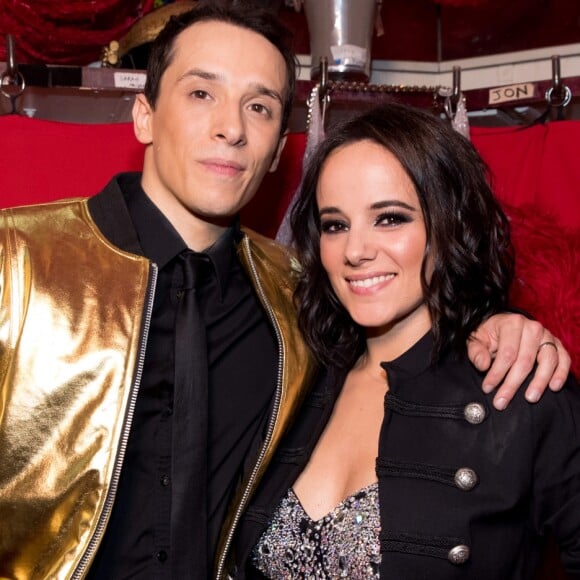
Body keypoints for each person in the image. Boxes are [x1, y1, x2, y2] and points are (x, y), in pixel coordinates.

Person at [0, 4, 571, 580]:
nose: (232, 127)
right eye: (202, 94)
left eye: (260, 106)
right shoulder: (17, 261)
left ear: (279, 149)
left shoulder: (293, 300)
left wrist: (501, 322)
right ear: (143, 115)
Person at [231, 104, 580, 579]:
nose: (356, 251)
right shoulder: (291, 377)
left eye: (390, 218)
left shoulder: (520, 385)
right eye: (336, 224)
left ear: (447, 223)